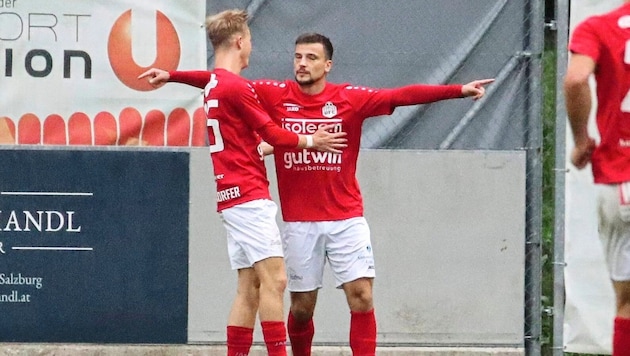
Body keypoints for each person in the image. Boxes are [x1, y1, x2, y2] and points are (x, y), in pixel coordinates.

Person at [142, 33, 492, 355]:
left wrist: (458, 90)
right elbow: (222, 82)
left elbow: (400, 95)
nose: (302, 64)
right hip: (300, 224)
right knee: (301, 308)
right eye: (297, 57)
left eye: (311, 57)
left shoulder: (349, 99)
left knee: (362, 297)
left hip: (346, 219)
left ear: (327, 65)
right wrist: (172, 76)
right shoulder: (275, 94)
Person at [139, 11, 347, 356]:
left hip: (230, 196)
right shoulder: (235, 87)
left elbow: (208, 77)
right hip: (248, 196)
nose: (251, 46)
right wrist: (313, 141)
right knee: (276, 280)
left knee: (248, 286)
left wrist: (172, 75)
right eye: (249, 39)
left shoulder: (216, 84)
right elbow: (273, 134)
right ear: (239, 42)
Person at [564, 2, 630, 355]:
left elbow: (576, 79)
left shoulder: (601, 27)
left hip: (622, 179)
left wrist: (581, 142)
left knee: (627, 304)